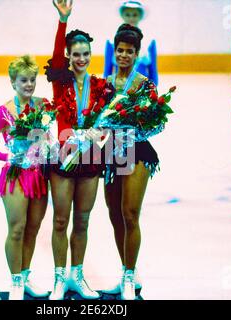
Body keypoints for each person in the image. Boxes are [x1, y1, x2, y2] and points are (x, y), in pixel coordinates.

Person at [44, 0, 114, 300]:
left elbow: (108, 121)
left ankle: (77, 275)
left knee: (83, 220)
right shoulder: (60, 81)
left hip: (90, 160)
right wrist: (63, 20)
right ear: (69, 57)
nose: (81, 58)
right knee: (61, 219)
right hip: (63, 157)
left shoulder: (100, 86)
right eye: (76, 54)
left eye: (86, 53)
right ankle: (59, 278)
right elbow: (56, 55)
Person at [0, 55, 49, 300]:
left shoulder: (43, 106)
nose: (29, 84)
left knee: (33, 228)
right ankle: (16, 281)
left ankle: (26, 274)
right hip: (15, 175)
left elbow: (48, 137)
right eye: (23, 80)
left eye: (32, 80)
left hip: (39, 174)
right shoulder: (4, 112)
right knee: (17, 229)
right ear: (13, 82)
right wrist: (6, 156)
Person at [102, 24, 160, 300]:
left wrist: (133, 129)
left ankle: (128, 275)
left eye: (130, 51)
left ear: (137, 54)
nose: (124, 55)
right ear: (114, 52)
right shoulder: (104, 85)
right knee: (114, 215)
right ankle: (129, 272)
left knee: (130, 214)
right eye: (120, 50)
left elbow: (157, 124)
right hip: (110, 153)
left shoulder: (145, 85)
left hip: (137, 152)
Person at [104, 0, 158, 85]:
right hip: (118, 88)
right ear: (122, 15)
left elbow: (153, 70)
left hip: (142, 88)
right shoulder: (111, 40)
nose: (131, 18)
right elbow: (107, 69)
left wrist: (153, 88)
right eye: (127, 14)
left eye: (135, 15)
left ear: (140, 16)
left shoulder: (149, 41)